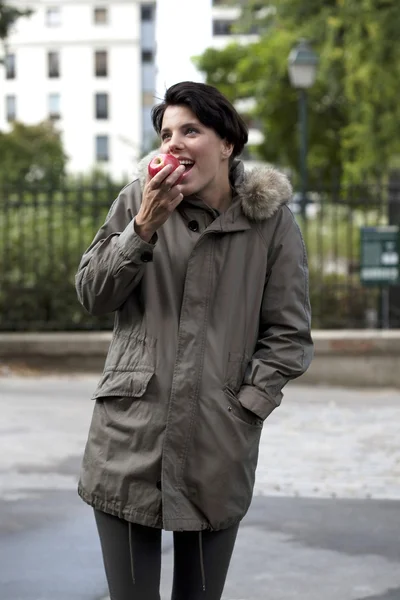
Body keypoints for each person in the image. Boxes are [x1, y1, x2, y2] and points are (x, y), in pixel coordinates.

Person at [75, 81, 314, 600]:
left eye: (191, 130)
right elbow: (93, 294)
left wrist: (246, 406)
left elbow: (289, 335)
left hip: (217, 446)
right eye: (166, 133)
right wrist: (142, 228)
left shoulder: (270, 224)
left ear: (227, 143)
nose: (173, 144)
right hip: (128, 439)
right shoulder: (139, 199)